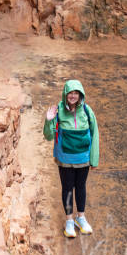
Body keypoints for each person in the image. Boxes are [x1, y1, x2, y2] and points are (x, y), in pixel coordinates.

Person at [43, 79, 99, 238]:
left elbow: (95, 135)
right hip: (65, 158)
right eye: (70, 93)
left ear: (81, 94)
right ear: (65, 94)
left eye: (76, 93)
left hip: (83, 158)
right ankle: (69, 221)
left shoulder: (88, 111)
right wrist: (48, 121)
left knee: (81, 187)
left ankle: (81, 218)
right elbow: (48, 136)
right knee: (67, 188)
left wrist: (94, 159)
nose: (73, 96)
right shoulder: (58, 110)